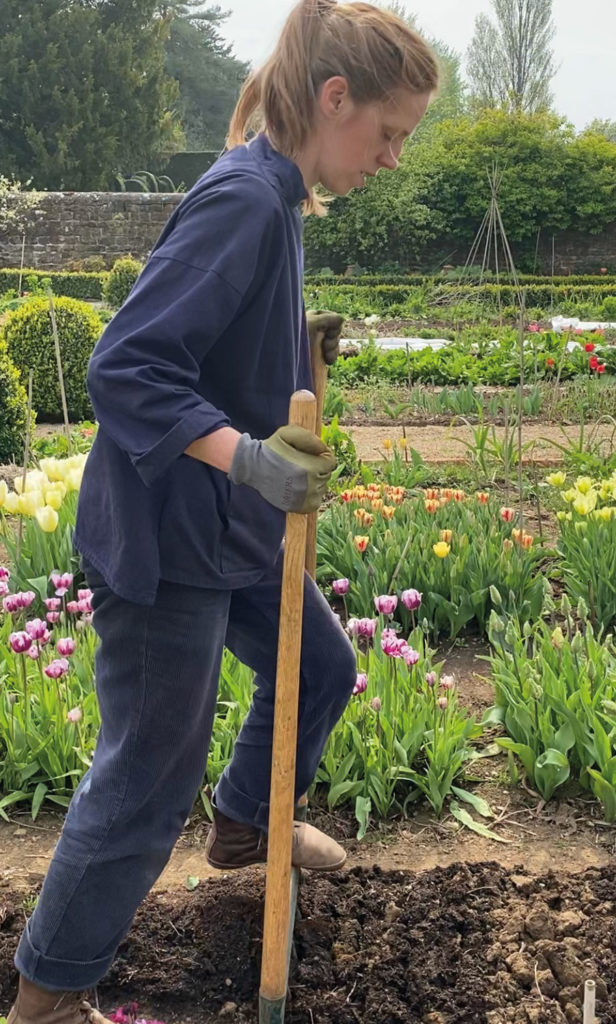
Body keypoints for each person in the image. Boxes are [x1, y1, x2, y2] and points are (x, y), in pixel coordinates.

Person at [6, 2, 438, 1021]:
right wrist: (246, 454)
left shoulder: (277, 198)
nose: (389, 160)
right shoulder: (245, 198)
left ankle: (246, 824)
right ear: (333, 99)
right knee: (146, 779)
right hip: (168, 541)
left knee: (320, 668)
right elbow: (126, 365)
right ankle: (46, 999)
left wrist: (289, 351)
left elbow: (211, 340)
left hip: (227, 528)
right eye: (387, 135)